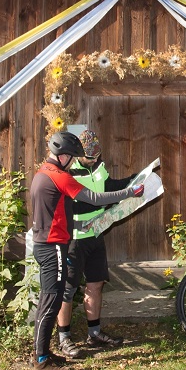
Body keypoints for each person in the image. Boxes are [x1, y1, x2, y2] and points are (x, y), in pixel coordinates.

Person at [30, 130, 144, 370]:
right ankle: (43, 359)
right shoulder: (60, 176)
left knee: (52, 299)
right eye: (73, 157)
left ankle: (46, 354)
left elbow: (62, 210)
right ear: (64, 156)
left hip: (57, 240)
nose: (75, 162)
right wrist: (128, 193)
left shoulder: (43, 173)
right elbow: (91, 198)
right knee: (52, 300)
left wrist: (130, 182)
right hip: (56, 245)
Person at [56, 129, 136, 357]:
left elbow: (109, 187)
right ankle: (64, 337)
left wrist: (135, 180)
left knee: (96, 284)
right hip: (74, 240)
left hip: (96, 236)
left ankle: (94, 333)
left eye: (97, 156)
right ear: (78, 153)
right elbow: (83, 201)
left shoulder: (99, 166)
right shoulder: (69, 171)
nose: (94, 160)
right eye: (90, 157)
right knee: (68, 290)